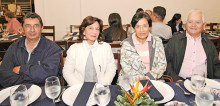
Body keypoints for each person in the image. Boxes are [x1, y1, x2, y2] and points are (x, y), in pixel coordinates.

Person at [0, 12, 62, 87]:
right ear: (22, 28)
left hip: (43, 92)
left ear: (41, 28)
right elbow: (3, 75)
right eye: (28, 26)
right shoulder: (14, 47)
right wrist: (28, 83)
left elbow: (49, 74)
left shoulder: (52, 48)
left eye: (36, 26)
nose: (32, 30)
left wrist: (21, 70)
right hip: (18, 91)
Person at [165, 9, 220, 81]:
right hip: (180, 83)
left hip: (202, 84)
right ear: (186, 24)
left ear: (203, 25)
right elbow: (166, 63)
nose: (193, 25)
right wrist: (176, 79)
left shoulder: (209, 44)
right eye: (190, 22)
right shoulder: (175, 41)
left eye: (197, 22)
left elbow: (216, 67)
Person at [63, 16, 116, 86]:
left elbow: (111, 69)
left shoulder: (105, 47)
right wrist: (79, 87)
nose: (94, 32)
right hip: (77, 88)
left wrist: (104, 84)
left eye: (97, 29)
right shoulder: (74, 49)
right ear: (84, 30)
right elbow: (67, 72)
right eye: (90, 28)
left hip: (100, 88)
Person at [119, 12, 167, 80]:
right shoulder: (127, 44)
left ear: (149, 27)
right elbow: (126, 67)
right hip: (133, 82)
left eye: (145, 26)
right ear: (134, 28)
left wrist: (148, 77)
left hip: (154, 80)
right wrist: (142, 79)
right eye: (138, 26)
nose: (141, 30)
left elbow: (162, 64)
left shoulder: (157, 42)